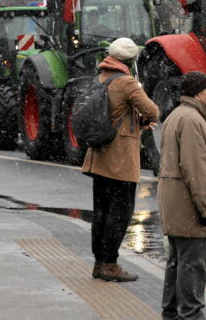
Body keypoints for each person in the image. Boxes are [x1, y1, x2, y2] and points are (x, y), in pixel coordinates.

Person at [82, 36, 159, 283]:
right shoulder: (127, 82)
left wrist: (136, 119)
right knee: (120, 213)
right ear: (130, 60)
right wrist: (144, 115)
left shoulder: (99, 79)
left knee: (101, 212)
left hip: (99, 155)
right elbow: (153, 111)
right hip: (120, 160)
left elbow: (113, 112)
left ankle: (99, 263)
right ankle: (111, 265)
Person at [158, 71, 206, 319]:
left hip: (177, 205)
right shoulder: (192, 120)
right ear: (197, 93)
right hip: (189, 208)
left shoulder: (177, 116)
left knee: (177, 262)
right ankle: (191, 316)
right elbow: (196, 169)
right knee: (192, 266)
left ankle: (172, 314)